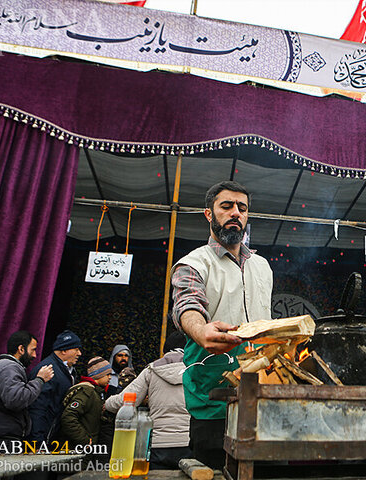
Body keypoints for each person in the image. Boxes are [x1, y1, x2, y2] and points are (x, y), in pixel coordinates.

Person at [171, 181, 272, 469]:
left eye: (242, 208)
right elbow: (187, 307)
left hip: (260, 396)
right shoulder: (193, 264)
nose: (235, 213)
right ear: (208, 214)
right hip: (213, 396)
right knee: (214, 471)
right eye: (226, 206)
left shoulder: (263, 266)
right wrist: (201, 330)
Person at [105, 331, 192, 470]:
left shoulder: (151, 370)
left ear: (165, 351)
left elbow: (124, 400)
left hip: (159, 446)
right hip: (189, 444)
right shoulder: (197, 370)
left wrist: (106, 403)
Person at [0, 331, 54, 453]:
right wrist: (40, 380)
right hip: (1, 441)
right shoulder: (10, 367)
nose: (35, 355)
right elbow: (15, 400)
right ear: (21, 349)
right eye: (33, 350)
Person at [28, 329, 82, 442]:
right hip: (43, 437)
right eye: (76, 349)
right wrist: (37, 441)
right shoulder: (48, 370)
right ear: (64, 350)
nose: (79, 353)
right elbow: (38, 408)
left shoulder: (67, 370)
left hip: (53, 436)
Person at [59, 357, 112, 447]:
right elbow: (68, 417)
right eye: (107, 374)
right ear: (98, 374)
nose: (110, 377)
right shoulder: (86, 391)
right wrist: (85, 440)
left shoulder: (97, 392)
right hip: (80, 449)